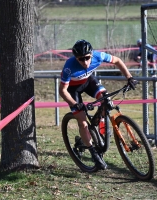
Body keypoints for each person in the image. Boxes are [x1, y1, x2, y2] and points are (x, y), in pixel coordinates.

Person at [59, 39, 137, 170]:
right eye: (81, 59)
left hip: (88, 82)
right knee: (82, 121)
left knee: (106, 100)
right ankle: (92, 152)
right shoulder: (69, 66)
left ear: (91, 54)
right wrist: (75, 104)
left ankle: (95, 124)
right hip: (72, 90)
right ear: (75, 58)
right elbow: (62, 90)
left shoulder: (98, 56)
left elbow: (117, 60)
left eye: (87, 58)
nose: (85, 62)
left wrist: (129, 77)